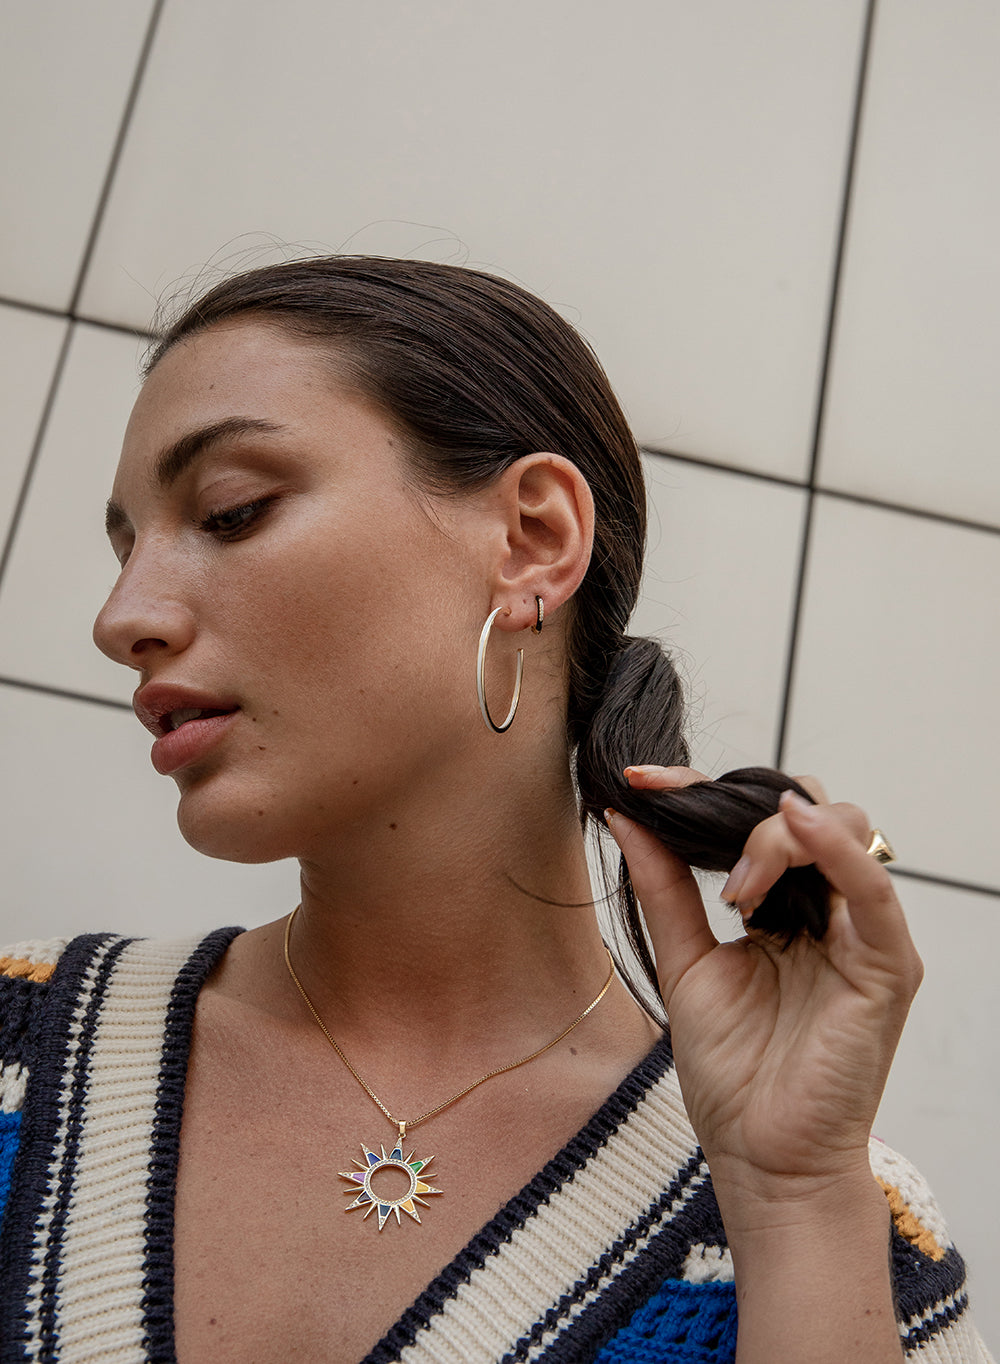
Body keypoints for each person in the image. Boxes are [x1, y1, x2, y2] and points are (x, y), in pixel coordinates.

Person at [0, 258, 990, 1364]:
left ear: (530, 539)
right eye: (125, 546)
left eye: (230, 512)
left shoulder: (846, 1231)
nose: (120, 615)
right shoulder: (15, 1052)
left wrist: (793, 1200)